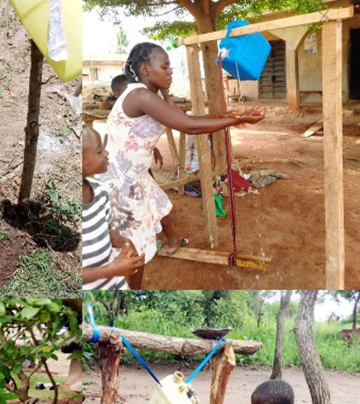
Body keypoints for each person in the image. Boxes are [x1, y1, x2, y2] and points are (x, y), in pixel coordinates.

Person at [100, 42, 265, 288]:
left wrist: (229, 116)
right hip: (121, 182)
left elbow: (188, 119)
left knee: (155, 212)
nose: (170, 71)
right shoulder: (140, 95)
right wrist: (235, 119)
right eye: (164, 66)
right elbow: (188, 127)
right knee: (134, 249)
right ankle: (130, 290)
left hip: (135, 174)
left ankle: (167, 245)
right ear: (145, 69)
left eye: (170, 67)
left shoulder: (154, 95)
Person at [82, 125, 144, 290]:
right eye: (99, 151)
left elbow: (107, 228)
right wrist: (110, 270)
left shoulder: (100, 191)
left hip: (114, 284)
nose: (106, 154)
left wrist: (123, 241)